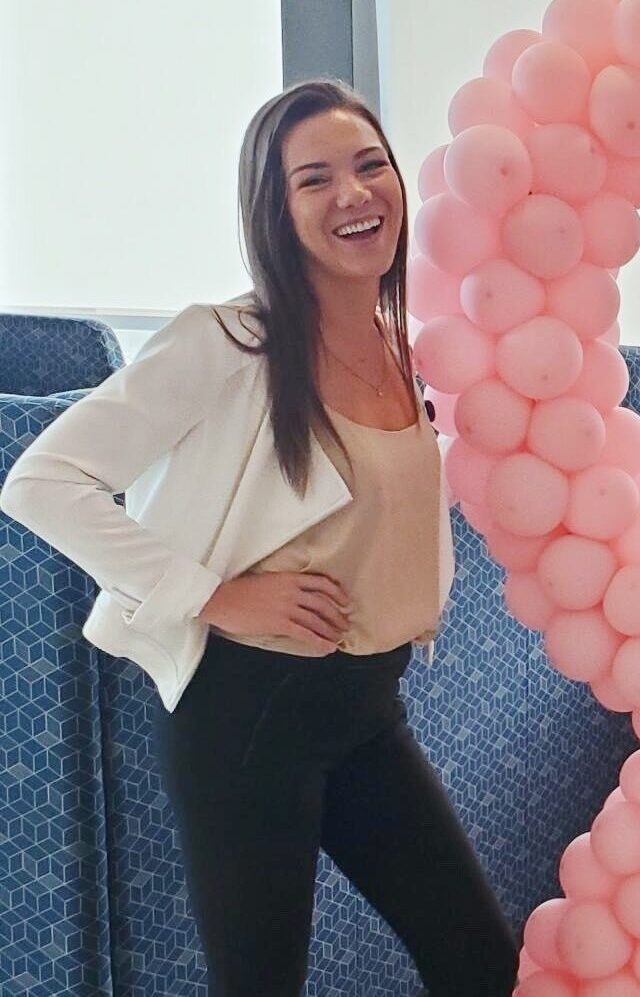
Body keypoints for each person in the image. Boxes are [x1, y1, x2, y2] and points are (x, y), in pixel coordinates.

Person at [0, 80, 519, 996]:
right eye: (314, 180)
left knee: (478, 959)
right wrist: (213, 589)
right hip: (248, 711)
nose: (354, 195)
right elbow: (41, 482)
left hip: (365, 704)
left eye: (370, 166)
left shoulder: (401, 344)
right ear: (276, 213)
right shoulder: (229, 343)